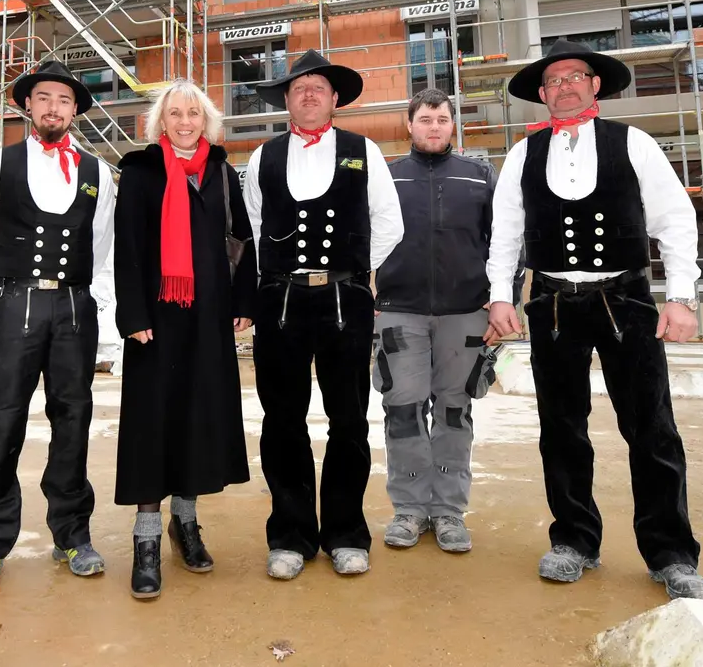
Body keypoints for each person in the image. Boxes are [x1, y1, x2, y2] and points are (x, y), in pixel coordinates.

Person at [485, 38, 703, 600]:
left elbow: (675, 220)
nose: (564, 86)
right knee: (561, 429)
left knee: (651, 427)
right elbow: (506, 235)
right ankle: (574, 541)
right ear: (542, 94)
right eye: (554, 80)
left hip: (627, 300)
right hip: (554, 304)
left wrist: (681, 295)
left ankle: (671, 553)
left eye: (575, 77)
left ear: (595, 86)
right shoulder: (522, 154)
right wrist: (500, 295)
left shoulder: (632, 143)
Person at [242, 49, 404, 580]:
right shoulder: (263, 157)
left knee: (349, 419)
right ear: (286, 99)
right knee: (282, 420)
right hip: (282, 301)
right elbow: (257, 229)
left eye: (318, 86)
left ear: (334, 98)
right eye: (298, 87)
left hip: (345, 301)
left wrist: (351, 270)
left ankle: (345, 533)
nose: (308, 93)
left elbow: (389, 223)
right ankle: (290, 535)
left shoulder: (364, 150)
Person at [0, 60, 116, 596]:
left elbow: (103, 250)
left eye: (64, 100)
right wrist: (3, 297)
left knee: (72, 422)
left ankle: (72, 533)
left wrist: (101, 314)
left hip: (74, 306)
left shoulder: (98, 173)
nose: (53, 108)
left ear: (75, 110)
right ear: (28, 106)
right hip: (15, 303)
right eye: (44, 98)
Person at [112, 79, 257, 599]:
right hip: (155, 318)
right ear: (160, 121)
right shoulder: (140, 170)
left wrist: (243, 302)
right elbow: (125, 248)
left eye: (193, 113)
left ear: (207, 119)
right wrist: (131, 313)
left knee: (198, 418)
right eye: (174, 113)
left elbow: (243, 237)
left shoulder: (221, 171)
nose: (185, 121)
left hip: (209, 317)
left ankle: (186, 524)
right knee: (153, 423)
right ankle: (146, 538)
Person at [372, 87, 497, 554]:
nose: (434, 127)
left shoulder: (479, 176)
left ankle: (448, 512)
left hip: (464, 313)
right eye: (425, 119)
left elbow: (505, 241)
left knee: (453, 410)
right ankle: (408, 509)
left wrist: (503, 302)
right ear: (409, 124)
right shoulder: (387, 177)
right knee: (402, 409)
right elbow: (362, 236)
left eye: (442, 119)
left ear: (452, 124)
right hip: (399, 312)